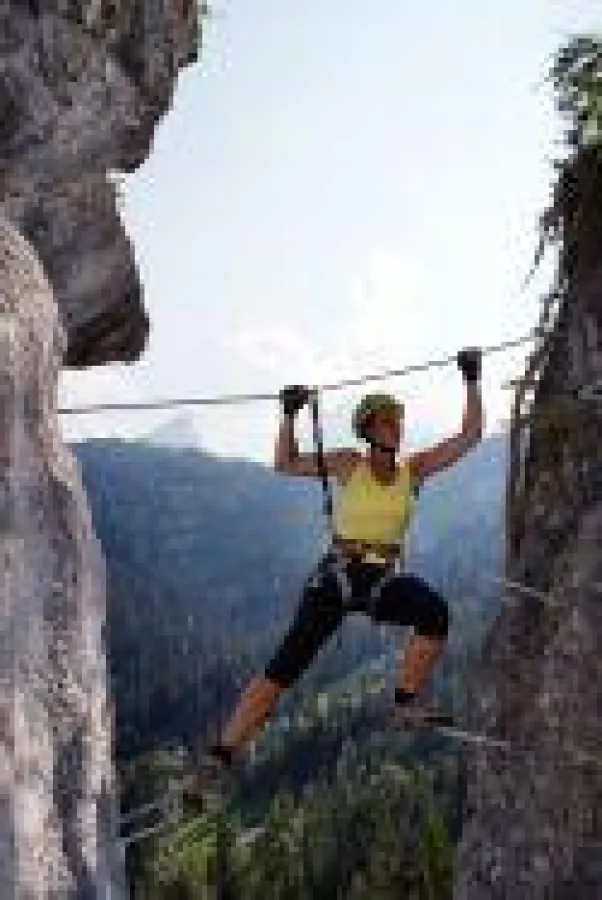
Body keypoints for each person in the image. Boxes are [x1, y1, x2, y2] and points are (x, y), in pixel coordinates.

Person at [194, 348, 484, 793]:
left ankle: (405, 702)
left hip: (381, 579)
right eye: (387, 421)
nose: (395, 427)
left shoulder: (415, 470)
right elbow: (285, 463)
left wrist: (471, 379)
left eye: (397, 420)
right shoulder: (351, 464)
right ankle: (224, 751)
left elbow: (469, 437)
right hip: (338, 575)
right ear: (369, 430)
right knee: (285, 666)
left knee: (435, 613)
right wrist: (288, 415)